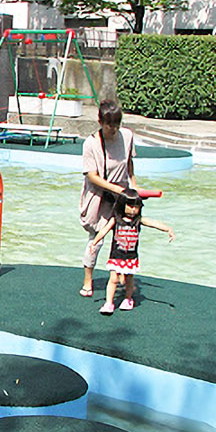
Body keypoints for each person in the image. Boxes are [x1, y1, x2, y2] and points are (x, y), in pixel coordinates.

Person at [79, 100, 136, 298]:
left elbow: (129, 162)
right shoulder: (91, 144)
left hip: (123, 195)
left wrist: (133, 187)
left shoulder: (127, 136)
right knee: (96, 238)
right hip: (100, 195)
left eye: (117, 124)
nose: (114, 129)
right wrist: (115, 189)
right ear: (100, 121)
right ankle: (88, 279)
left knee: (124, 237)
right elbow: (92, 176)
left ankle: (121, 276)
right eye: (109, 124)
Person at [89, 189, 175, 314]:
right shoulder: (116, 220)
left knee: (129, 279)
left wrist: (168, 229)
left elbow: (153, 223)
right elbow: (103, 231)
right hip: (116, 255)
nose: (133, 210)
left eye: (136, 207)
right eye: (130, 206)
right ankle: (108, 303)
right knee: (113, 279)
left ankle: (128, 299)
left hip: (130, 257)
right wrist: (94, 243)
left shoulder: (138, 221)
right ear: (122, 205)